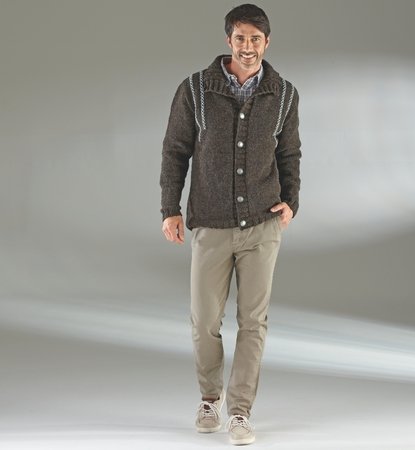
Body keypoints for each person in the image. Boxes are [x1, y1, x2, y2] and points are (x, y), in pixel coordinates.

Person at [160, 3, 301, 445]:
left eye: (255, 38)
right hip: (212, 223)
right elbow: (175, 150)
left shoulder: (284, 94)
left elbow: (289, 153)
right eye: (240, 37)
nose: (248, 46)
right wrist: (169, 208)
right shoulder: (195, 89)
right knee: (204, 320)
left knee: (253, 321)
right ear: (228, 40)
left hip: (262, 224)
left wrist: (292, 201)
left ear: (267, 42)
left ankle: (240, 411)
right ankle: (210, 398)